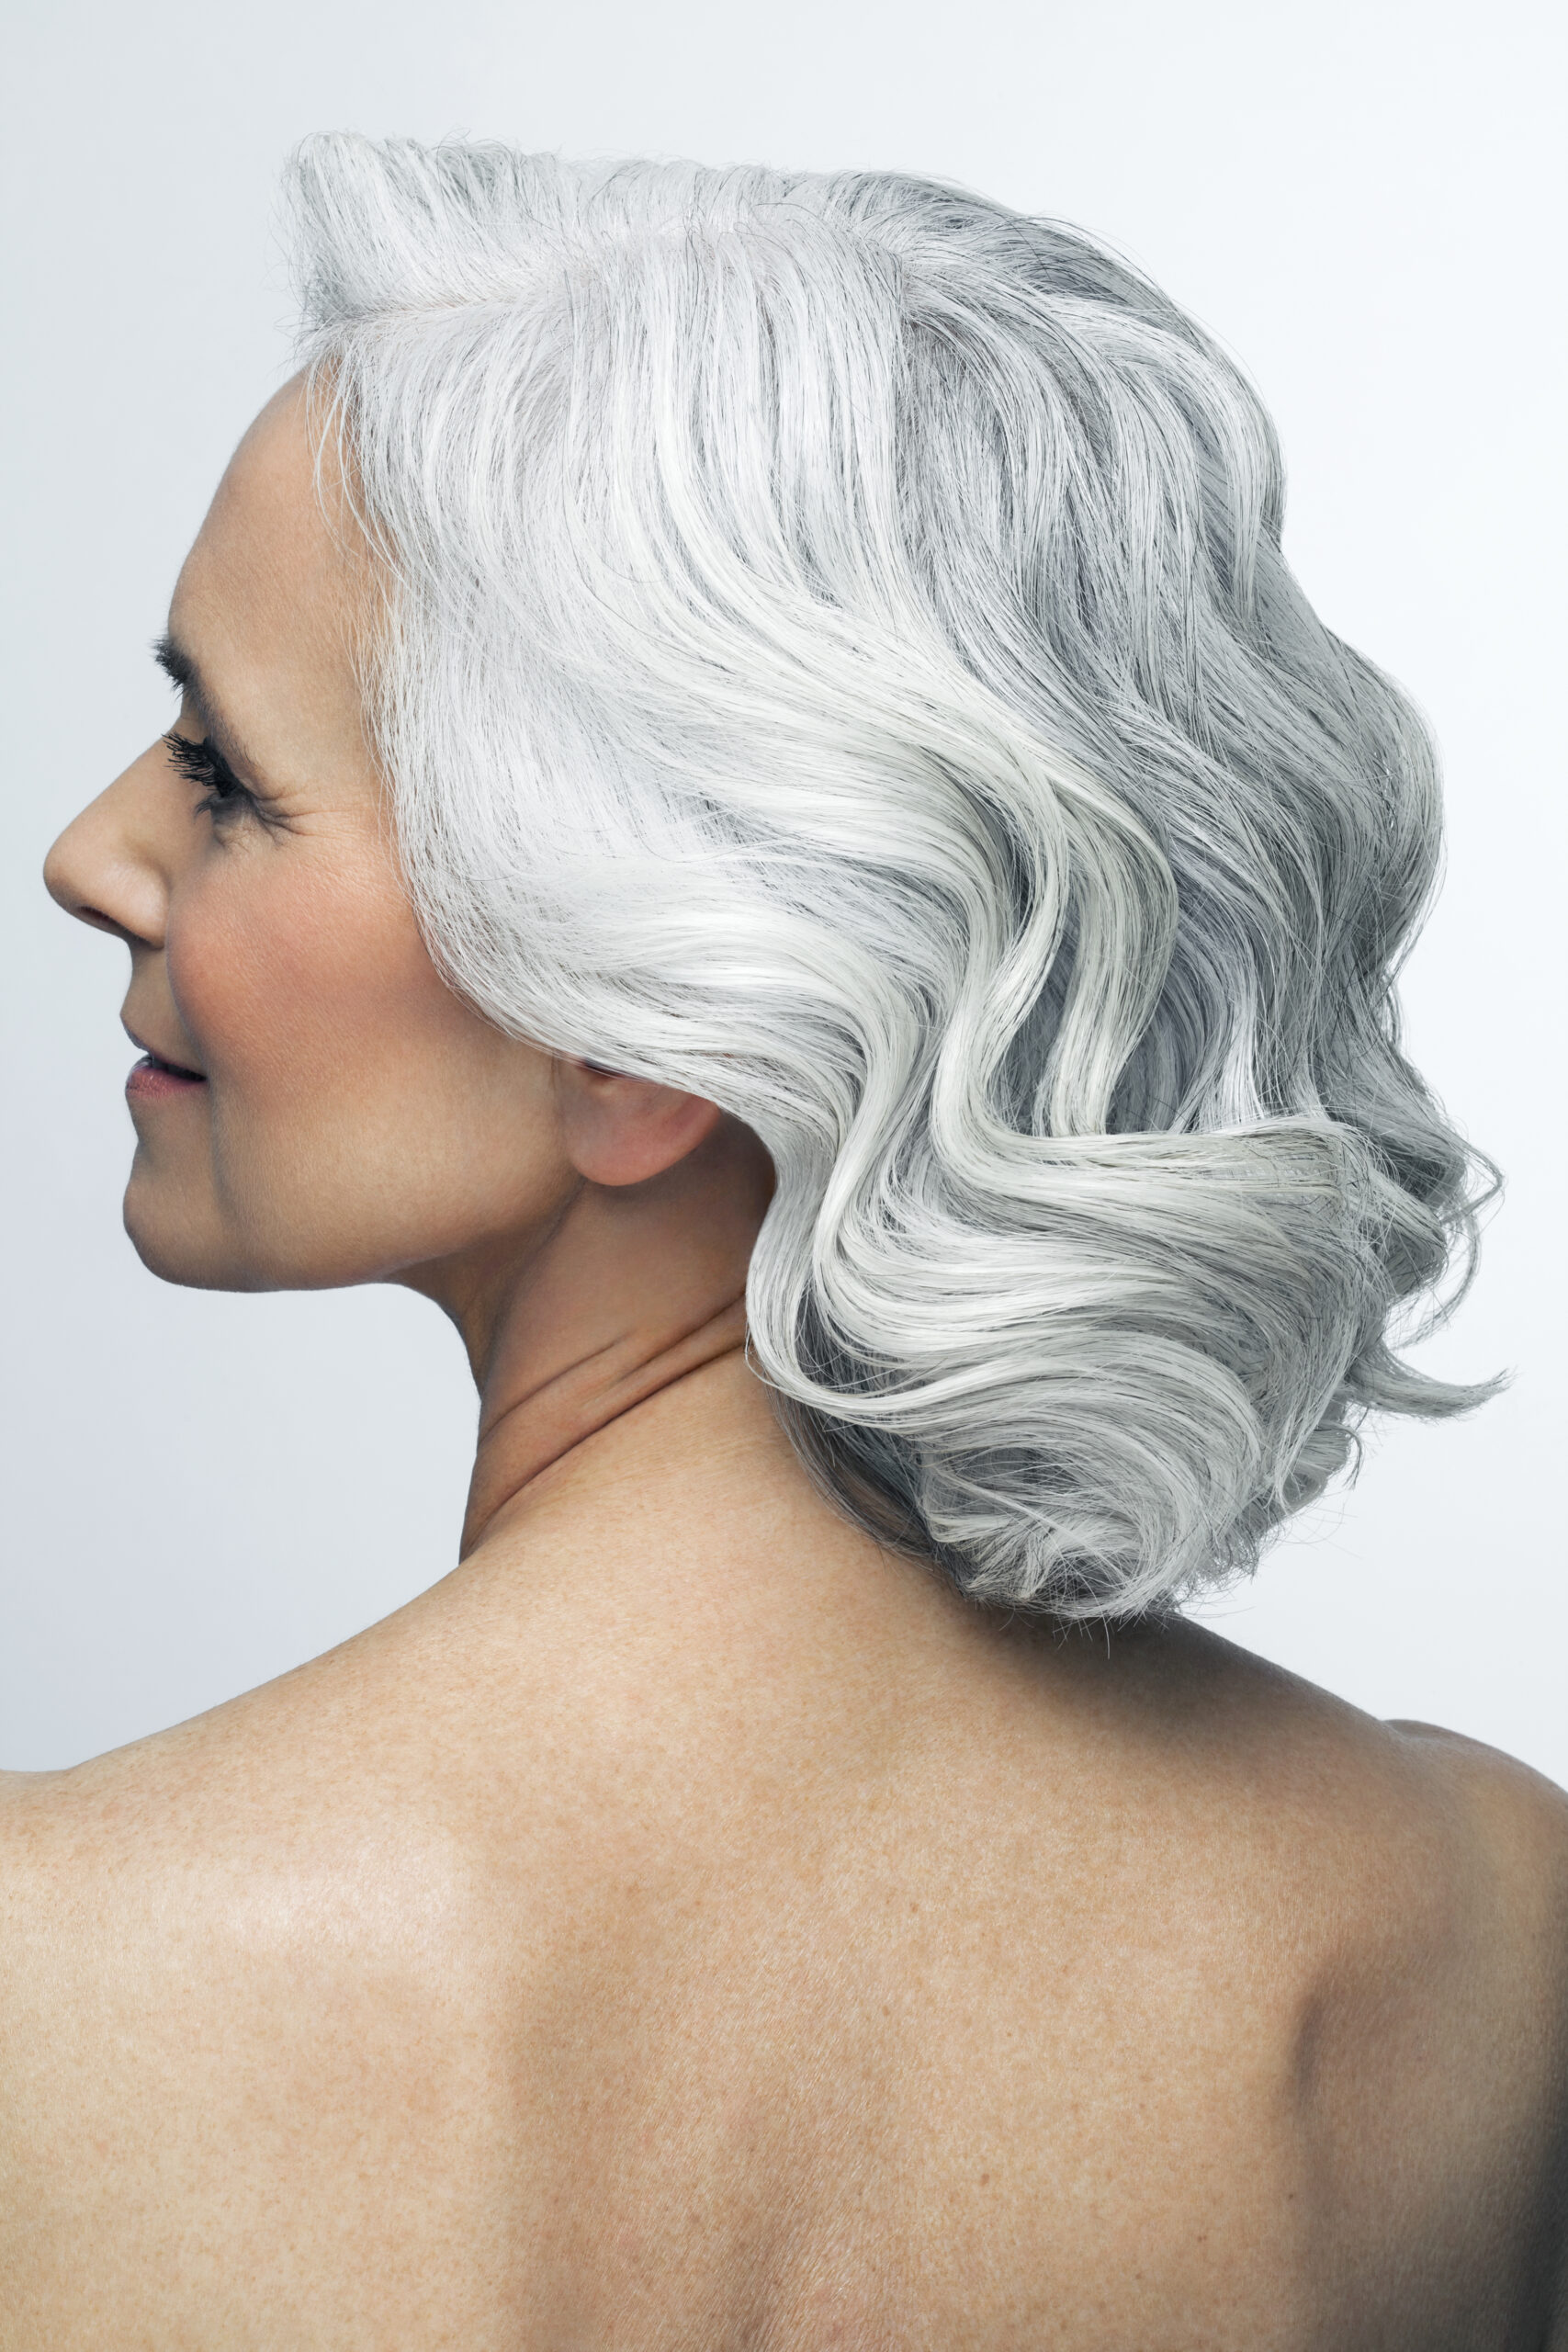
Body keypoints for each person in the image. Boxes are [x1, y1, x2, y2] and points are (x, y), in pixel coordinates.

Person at [5, 135, 1564, 2347]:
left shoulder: (56, 1988)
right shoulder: (1480, 1939)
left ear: (645, 1029)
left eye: (224, 773)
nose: (91, 854)